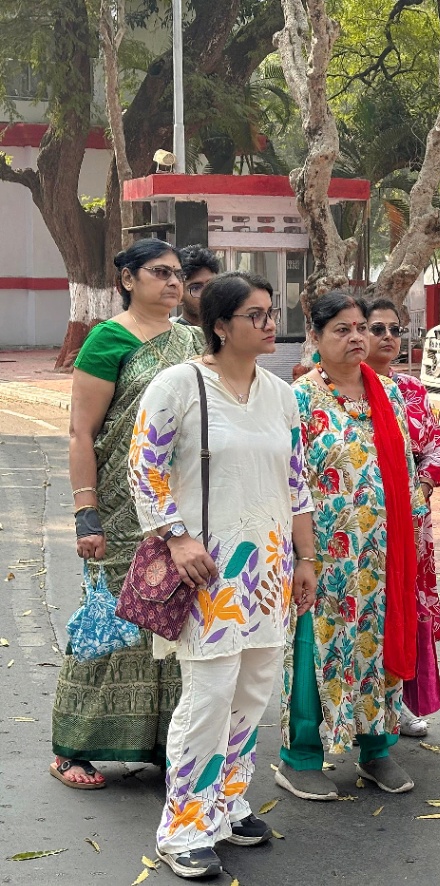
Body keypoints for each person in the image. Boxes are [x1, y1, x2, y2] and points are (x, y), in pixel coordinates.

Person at [130, 271, 317, 879]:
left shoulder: (280, 394)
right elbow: (145, 467)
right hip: (207, 570)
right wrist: (176, 537)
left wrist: (306, 558)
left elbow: (296, 483)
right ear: (219, 325)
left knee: (254, 691)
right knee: (209, 695)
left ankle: (227, 803)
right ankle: (184, 826)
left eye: (271, 312)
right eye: (255, 315)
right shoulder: (179, 385)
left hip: (270, 570)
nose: (270, 324)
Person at [51, 238, 200, 790]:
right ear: (128, 280)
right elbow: (82, 432)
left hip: (178, 506)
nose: (173, 282)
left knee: (176, 621)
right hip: (119, 510)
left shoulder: (192, 340)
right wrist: (86, 513)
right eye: (159, 272)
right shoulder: (107, 340)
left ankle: (164, 743)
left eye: (178, 273)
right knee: (113, 623)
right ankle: (72, 748)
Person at [277, 291, 423, 801]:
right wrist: (302, 554)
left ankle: (376, 749)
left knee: (379, 647)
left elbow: (406, 469)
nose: (357, 337)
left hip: (383, 555)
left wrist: (413, 536)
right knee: (314, 651)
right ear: (315, 338)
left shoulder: (389, 393)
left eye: (362, 327)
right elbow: (288, 482)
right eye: (342, 329)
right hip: (323, 555)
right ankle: (300, 757)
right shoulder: (298, 399)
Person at [365, 298, 440, 738]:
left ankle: (402, 703)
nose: (388, 337)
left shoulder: (413, 390)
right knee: (369, 606)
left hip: (412, 519)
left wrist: (421, 488)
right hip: (362, 521)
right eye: (377, 328)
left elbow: (435, 448)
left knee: (407, 604)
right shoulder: (339, 390)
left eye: (395, 329)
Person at [176, 244, 220, 351]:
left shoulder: (229, 331)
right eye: (196, 288)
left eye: (212, 284)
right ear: (179, 296)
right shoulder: (171, 339)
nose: (207, 293)